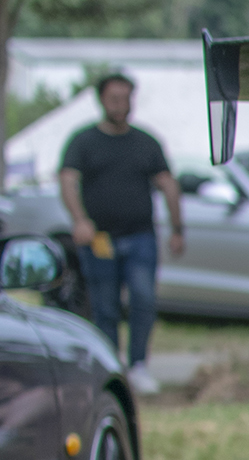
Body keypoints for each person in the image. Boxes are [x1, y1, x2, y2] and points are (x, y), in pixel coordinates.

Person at [58, 74, 184, 395]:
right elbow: (68, 180)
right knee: (105, 304)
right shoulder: (83, 141)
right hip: (101, 239)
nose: (120, 105)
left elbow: (168, 184)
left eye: (126, 98)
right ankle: (111, 364)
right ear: (101, 100)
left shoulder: (145, 142)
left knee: (143, 300)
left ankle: (139, 364)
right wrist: (79, 220)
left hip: (140, 236)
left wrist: (177, 228)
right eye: (114, 98)